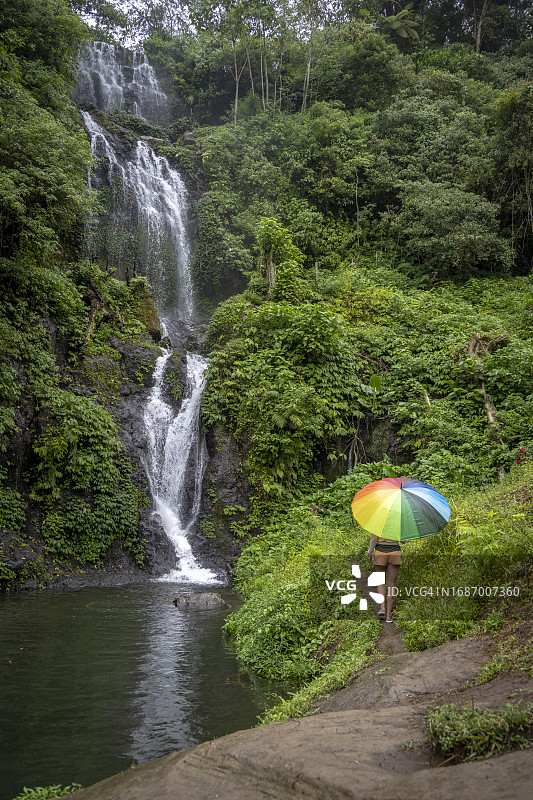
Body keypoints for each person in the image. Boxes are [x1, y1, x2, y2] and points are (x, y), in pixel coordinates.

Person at [367, 534, 401, 622]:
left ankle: (382, 608)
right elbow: (403, 540)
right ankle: (389, 616)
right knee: (392, 583)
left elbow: (373, 539)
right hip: (395, 553)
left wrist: (370, 552)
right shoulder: (398, 522)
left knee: (381, 581)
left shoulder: (379, 522)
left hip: (380, 553)